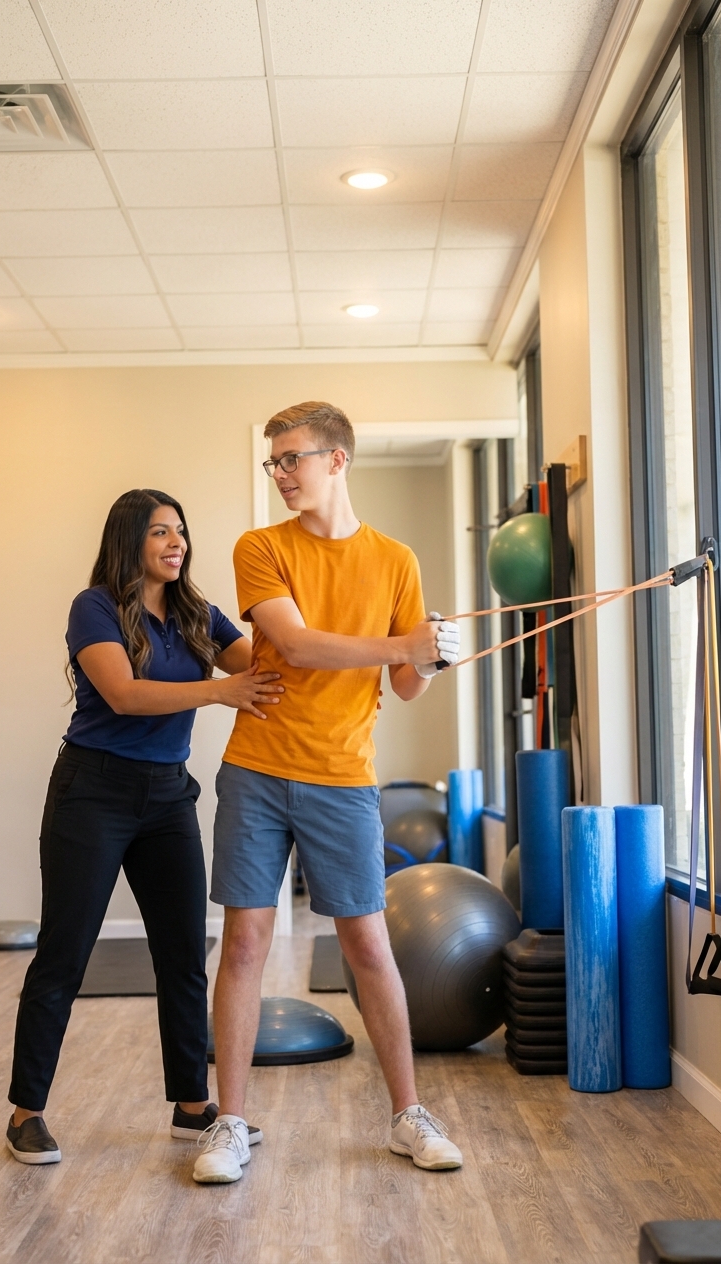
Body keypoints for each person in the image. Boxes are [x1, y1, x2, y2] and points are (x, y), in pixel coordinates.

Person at [193, 403, 463, 1184]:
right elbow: (302, 645)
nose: (280, 474)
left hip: (344, 777)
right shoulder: (261, 547)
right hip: (259, 768)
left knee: (368, 948)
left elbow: (406, 686)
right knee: (244, 942)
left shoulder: (396, 560)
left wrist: (434, 654)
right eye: (273, 462)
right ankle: (230, 1124)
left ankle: (408, 1115)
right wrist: (400, 646)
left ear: (337, 460)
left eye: (292, 459)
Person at [6, 489, 283, 1165]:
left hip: (166, 798)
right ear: (129, 539)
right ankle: (25, 1113)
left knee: (185, 953)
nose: (176, 542)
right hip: (93, 792)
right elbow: (125, 694)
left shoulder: (194, 610)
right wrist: (219, 690)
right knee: (65, 955)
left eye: (181, 532)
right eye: (161, 532)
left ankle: (193, 1107)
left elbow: (262, 664)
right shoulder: (94, 606)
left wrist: (320, 628)